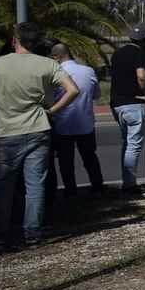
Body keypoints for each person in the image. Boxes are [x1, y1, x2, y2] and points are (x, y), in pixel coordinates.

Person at [0, 23, 79, 249]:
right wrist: (52, 110)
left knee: (4, 186)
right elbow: (73, 90)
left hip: (6, 132)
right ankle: (32, 233)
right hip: (38, 129)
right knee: (36, 184)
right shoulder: (48, 64)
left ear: (15, 41)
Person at [48, 43, 104, 197]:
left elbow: (49, 98)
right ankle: (97, 187)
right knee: (90, 157)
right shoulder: (88, 71)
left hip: (62, 125)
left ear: (56, 57)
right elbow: (96, 94)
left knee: (66, 162)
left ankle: (70, 190)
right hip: (85, 123)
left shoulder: (55, 73)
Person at [110, 22, 145, 195]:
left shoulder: (117, 53)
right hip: (134, 102)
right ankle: (129, 185)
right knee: (134, 144)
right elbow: (142, 76)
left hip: (117, 104)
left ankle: (126, 180)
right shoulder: (139, 53)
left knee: (126, 143)